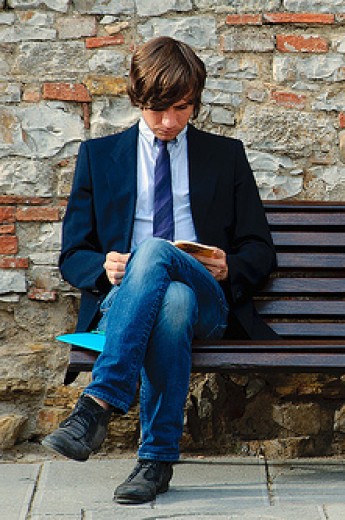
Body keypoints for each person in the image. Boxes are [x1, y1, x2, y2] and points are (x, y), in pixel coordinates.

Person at [42, 36, 277, 504]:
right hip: (127, 301)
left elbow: (260, 248)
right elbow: (73, 255)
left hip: (209, 300)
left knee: (158, 257)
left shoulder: (224, 155)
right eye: (158, 110)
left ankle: (98, 403)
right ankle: (155, 462)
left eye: (183, 108)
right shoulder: (100, 158)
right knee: (169, 297)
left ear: (195, 102)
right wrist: (102, 267)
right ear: (137, 99)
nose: (170, 122)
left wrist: (229, 265)